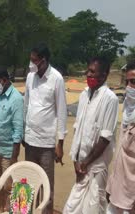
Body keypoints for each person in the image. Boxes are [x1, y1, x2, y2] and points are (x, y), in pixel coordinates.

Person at [63, 57, 119, 214]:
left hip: (95, 167)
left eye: (93, 72)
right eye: (88, 71)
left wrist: (86, 163)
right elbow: (78, 130)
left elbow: (105, 138)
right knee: (72, 208)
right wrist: (75, 160)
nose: (88, 74)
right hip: (81, 166)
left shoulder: (110, 99)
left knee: (93, 209)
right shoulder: (84, 95)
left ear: (104, 75)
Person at [23, 43, 67, 213]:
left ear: (44, 60)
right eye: (30, 60)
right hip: (30, 140)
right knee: (31, 182)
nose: (31, 63)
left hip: (47, 144)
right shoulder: (30, 77)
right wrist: (23, 132)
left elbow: (62, 112)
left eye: (34, 60)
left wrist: (60, 143)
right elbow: (26, 105)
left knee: (47, 186)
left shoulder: (56, 79)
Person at [0, 67, 23, 212]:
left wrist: (14, 156)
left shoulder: (16, 99)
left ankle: (12, 210)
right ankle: (1, 210)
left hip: (8, 152)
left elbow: (18, 129)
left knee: (10, 186)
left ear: (5, 80)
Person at [106, 60, 135, 214]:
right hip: (118, 185)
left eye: (134, 81)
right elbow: (120, 153)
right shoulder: (127, 110)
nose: (130, 86)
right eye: (128, 81)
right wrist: (112, 184)